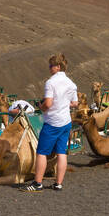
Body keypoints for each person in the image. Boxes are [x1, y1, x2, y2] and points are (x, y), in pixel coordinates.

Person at [27, 54, 77, 191]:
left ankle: (37, 183)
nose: (49, 69)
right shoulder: (72, 84)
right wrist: (63, 103)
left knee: (42, 152)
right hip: (66, 122)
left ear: (58, 67)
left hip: (53, 121)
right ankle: (58, 183)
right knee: (61, 152)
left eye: (51, 66)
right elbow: (75, 103)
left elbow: (48, 104)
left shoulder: (50, 82)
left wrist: (41, 107)